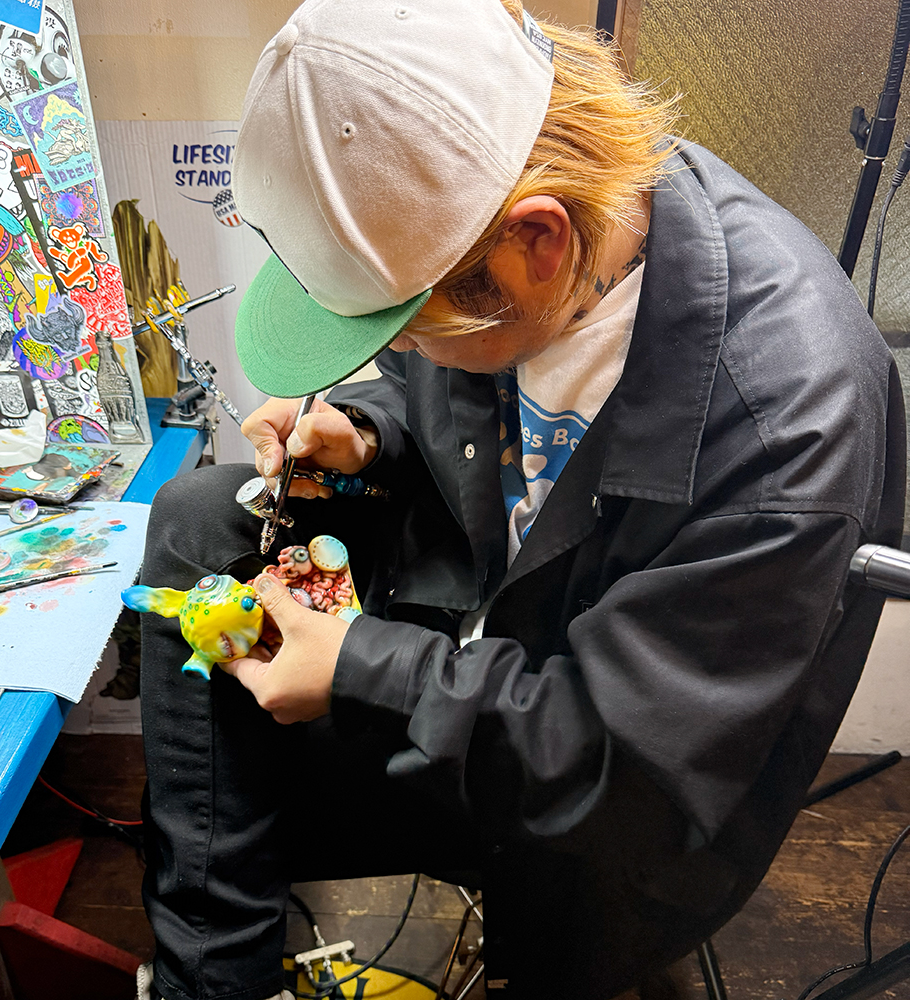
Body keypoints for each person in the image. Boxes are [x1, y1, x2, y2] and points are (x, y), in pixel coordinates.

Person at [136, 2, 906, 999]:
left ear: (535, 241)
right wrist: (370, 434)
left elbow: (625, 773)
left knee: (222, 762)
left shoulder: (782, 432)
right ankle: (213, 977)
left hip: (607, 807)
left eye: (405, 329)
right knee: (203, 522)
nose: (402, 351)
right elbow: (465, 394)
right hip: (486, 643)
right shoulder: (552, 228)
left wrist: (362, 666)